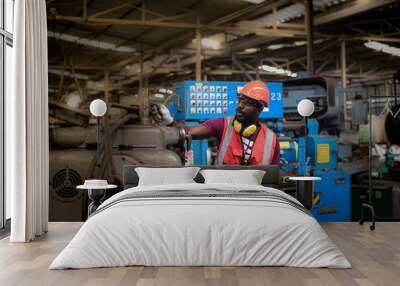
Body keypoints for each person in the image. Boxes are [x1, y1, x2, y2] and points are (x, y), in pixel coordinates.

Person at [151, 80, 280, 166]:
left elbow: (274, 178)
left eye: (247, 103)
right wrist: (170, 121)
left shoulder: (271, 139)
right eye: (240, 100)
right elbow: (189, 131)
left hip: (257, 200)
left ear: (259, 108)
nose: (240, 105)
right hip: (224, 195)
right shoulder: (223, 124)